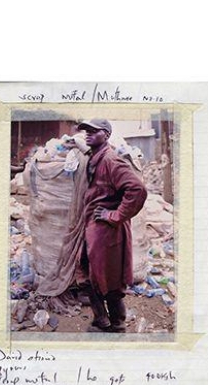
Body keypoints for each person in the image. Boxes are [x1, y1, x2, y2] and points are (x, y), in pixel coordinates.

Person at [76, 119, 146, 332]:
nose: (87, 134)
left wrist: (115, 215)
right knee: (87, 273)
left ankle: (117, 324)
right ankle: (102, 319)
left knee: (109, 278)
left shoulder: (111, 160)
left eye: (93, 131)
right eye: (86, 131)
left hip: (107, 230)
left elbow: (137, 190)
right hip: (94, 227)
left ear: (106, 135)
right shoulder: (94, 157)